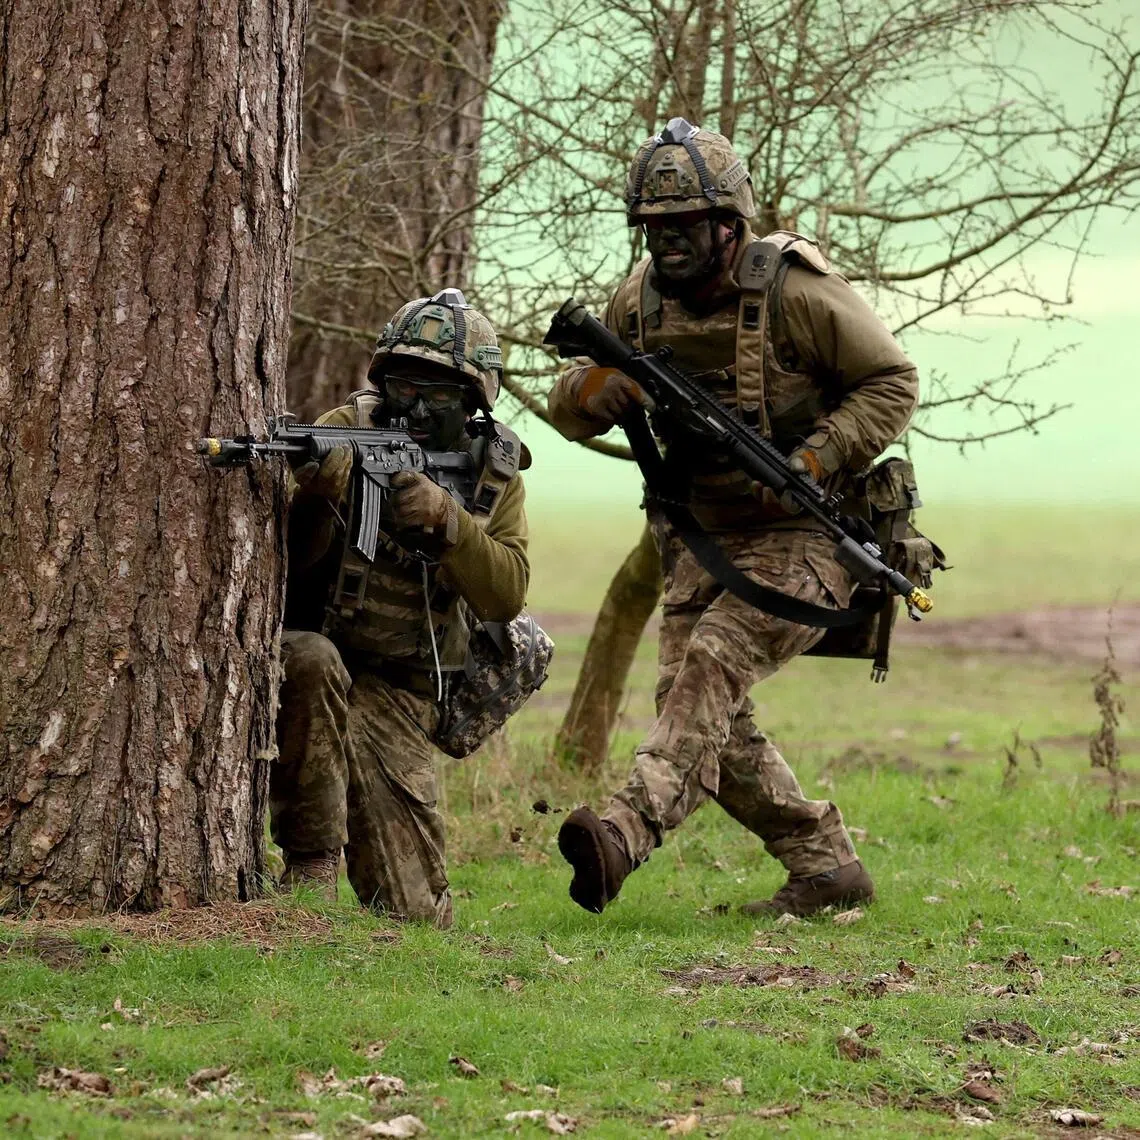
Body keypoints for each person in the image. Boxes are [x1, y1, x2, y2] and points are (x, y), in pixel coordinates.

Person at [546, 118, 919, 918]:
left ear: (729, 221)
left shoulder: (796, 290)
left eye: (684, 227)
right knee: (700, 708)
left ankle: (623, 831)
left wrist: (815, 458)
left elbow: (891, 381)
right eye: (654, 229)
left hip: (809, 534)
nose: (668, 244)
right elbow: (570, 394)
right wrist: (590, 392)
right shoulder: (638, 302)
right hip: (702, 540)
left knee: (711, 664)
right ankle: (825, 868)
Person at [273, 289, 529, 928]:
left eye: (437, 391)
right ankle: (308, 868)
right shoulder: (341, 433)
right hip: (321, 660)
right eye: (403, 385)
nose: (414, 403)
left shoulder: (493, 473)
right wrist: (316, 498)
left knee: (415, 916)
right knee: (309, 658)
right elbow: (280, 570)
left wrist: (449, 525)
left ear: (473, 400)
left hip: (402, 689)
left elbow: (507, 591)